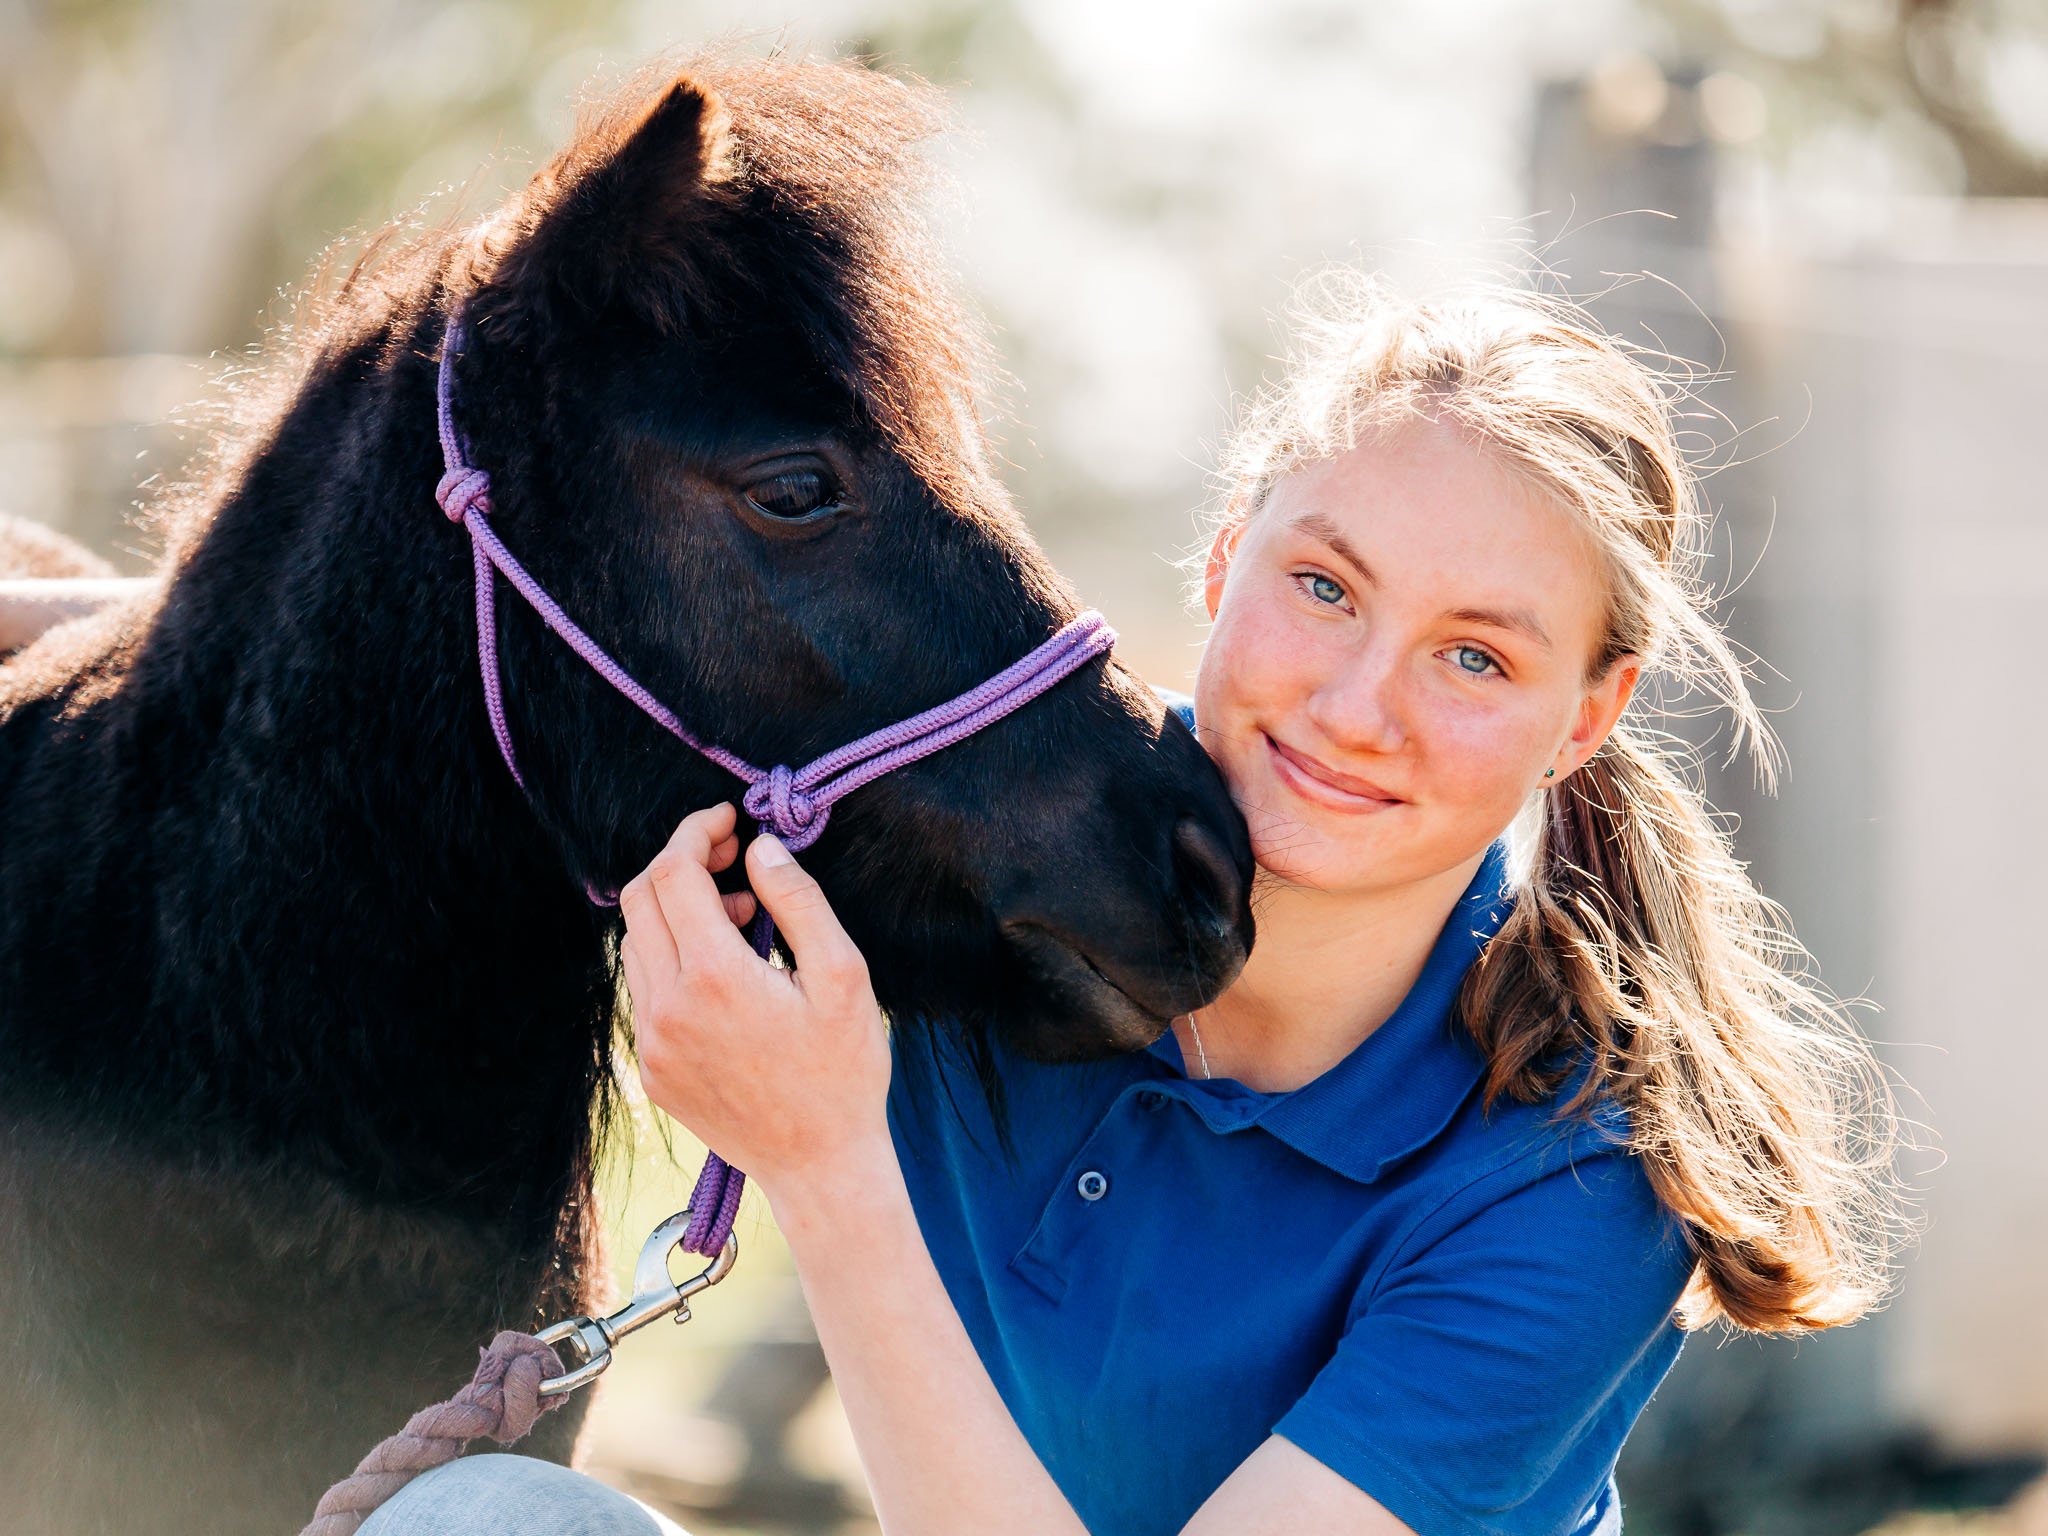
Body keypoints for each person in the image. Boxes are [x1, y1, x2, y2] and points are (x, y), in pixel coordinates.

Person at [338, 276, 1890, 1533]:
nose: (1360, 706)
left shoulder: (1574, 1179)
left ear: (1588, 715)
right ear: (1223, 562)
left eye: (1476, 656)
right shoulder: (992, 883)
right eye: (1326, 588)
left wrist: (826, 1168)